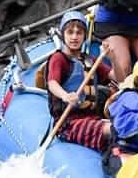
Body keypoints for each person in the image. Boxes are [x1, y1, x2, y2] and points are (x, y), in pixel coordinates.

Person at [45, 11, 116, 151]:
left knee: (119, 129)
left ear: (84, 36)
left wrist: (113, 59)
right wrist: (65, 95)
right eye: (70, 32)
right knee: (115, 130)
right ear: (63, 35)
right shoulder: (59, 58)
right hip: (67, 123)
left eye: (79, 33)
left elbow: (118, 77)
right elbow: (52, 83)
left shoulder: (91, 60)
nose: (74, 37)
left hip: (92, 118)